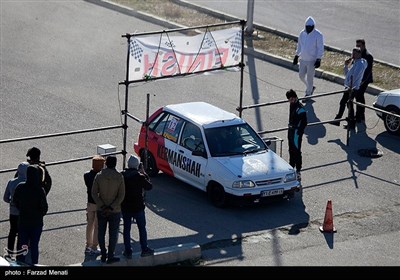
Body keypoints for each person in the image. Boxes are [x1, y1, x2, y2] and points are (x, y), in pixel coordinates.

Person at [91, 156, 125, 264]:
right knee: (113, 233)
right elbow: (121, 195)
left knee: (101, 232)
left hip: (101, 209)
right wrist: (112, 206)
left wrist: (102, 205)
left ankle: (103, 255)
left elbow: (94, 193)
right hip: (114, 210)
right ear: (115, 164)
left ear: (106, 163)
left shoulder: (99, 176)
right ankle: (111, 255)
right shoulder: (119, 177)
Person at [13, 165, 48, 265]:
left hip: (23, 221)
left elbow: (15, 201)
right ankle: (34, 264)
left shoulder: (20, 186)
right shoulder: (39, 190)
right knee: (34, 245)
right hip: (36, 222)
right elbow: (44, 208)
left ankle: (20, 264)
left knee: (22, 244)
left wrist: (22, 209)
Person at [121, 155, 154, 259]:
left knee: (126, 229)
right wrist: (144, 173)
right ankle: (144, 249)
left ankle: (128, 251)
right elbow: (149, 186)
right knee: (142, 228)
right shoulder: (139, 176)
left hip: (126, 206)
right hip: (138, 206)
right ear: (137, 165)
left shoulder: (122, 175)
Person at [331, 47, 367, 129]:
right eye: (352, 53)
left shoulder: (360, 64)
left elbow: (354, 77)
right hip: (349, 86)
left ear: (359, 54)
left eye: (355, 54)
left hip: (352, 88)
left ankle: (346, 121)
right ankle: (341, 120)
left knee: (347, 103)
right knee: (346, 103)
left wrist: (350, 86)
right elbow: (347, 75)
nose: (352, 55)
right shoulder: (355, 62)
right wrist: (346, 66)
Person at [293, 16, 324, 98]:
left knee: (310, 78)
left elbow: (320, 48)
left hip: (312, 60)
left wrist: (318, 59)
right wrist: (296, 55)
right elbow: (299, 45)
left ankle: (308, 93)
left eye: (310, 27)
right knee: (301, 76)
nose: (309, 28)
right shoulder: (302, 33)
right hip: (303, 59)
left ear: (313, 26)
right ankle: (310, 87)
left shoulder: (318, 35)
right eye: (307, 27)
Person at [3, 162, 29, 258]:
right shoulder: (28, 183)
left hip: (13, 212)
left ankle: (9, 253)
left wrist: (12, 202)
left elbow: (5, 198)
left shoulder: (11, 182)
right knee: (22, 233)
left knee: (12, 232)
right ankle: (20, 255)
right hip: (24, 213)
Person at [83, 155, 105, 255]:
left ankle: (88, 245)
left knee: (89, 224)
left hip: (90, 202)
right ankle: (95, 247)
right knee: (97, 226)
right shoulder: (100, 177)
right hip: (99, 203)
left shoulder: (86, 175)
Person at [286, 89, 307, 180]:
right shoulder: (292, 104)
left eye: (290, 99)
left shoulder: (300, 108)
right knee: (291, 149)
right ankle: (291, 167)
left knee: (297, 151)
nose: (289, 101)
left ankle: (298, 170)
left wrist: (299, 131)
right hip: (290, 130)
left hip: (296, 132)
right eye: (289, 100)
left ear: (294, 97)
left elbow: (304, 122)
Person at [355, 39, 374, 123]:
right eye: (357, 46)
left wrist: (362, 81)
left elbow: (368, 71)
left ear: (363, 45)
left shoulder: (368, 56)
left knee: (359, 95)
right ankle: (359, 115)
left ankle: (360, 115)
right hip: (358, 79)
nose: (358, 48)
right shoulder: (357, 54)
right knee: (358, 96)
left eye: (359, 46)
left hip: (364, 80)